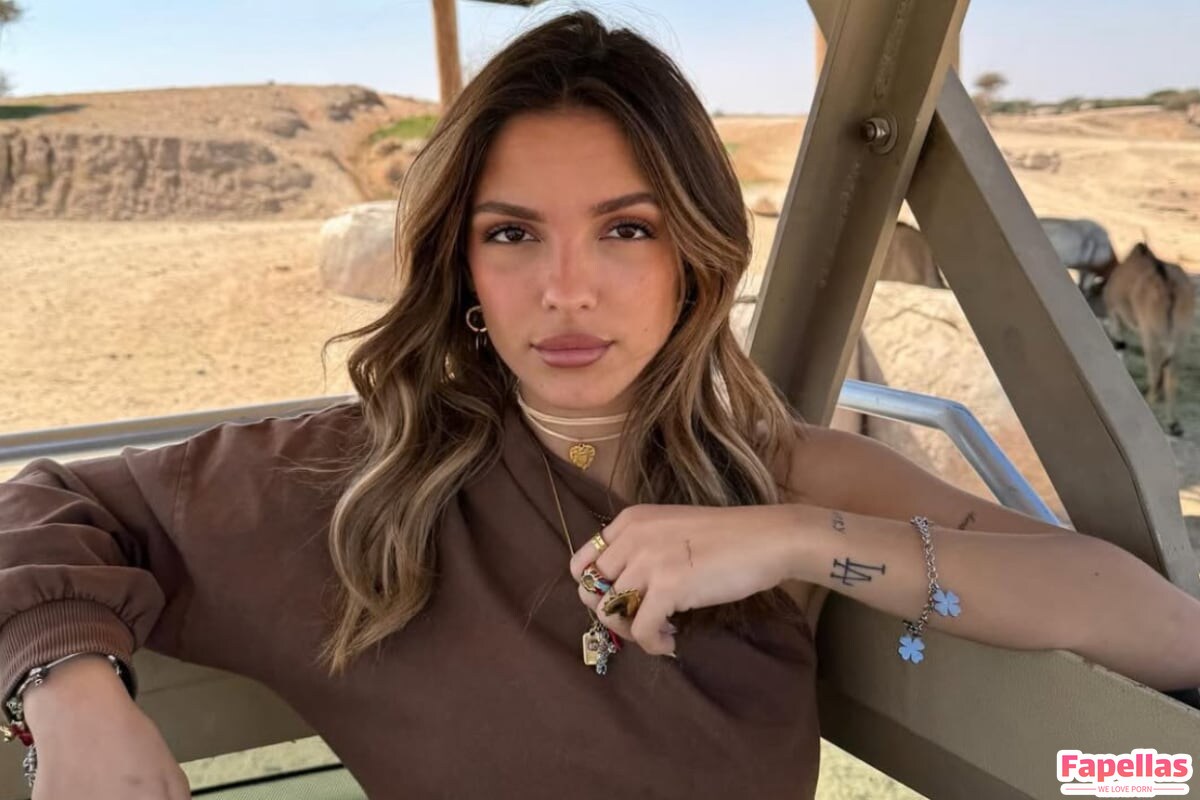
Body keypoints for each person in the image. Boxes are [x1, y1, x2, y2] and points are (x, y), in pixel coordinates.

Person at [1, 10, 1198, 799]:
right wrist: (70, 692)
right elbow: (46, 503)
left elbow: (1158, 627)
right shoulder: (350, 486)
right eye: (512, 233)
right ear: (462, 267)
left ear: (692, 256)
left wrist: (790, 540)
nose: (566, 289)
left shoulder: (782, 473)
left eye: (626, 230)